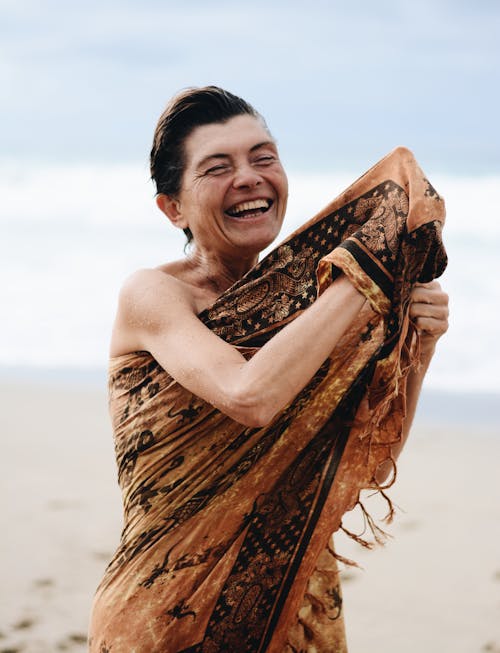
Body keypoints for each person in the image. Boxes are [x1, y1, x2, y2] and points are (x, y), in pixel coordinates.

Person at [88, 86, 449, 652]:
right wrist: (368, 273)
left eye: (264, 157)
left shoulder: (320, 308)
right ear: (173, 207)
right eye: (217, 167)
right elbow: (249, 395)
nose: (251, 177)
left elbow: (365, 465)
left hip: (292, 610)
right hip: (168, 617)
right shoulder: (153, 295)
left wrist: (417, 344)